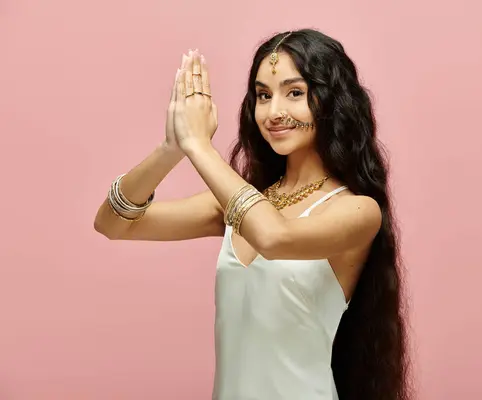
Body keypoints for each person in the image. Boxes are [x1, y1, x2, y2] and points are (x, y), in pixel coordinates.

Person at [94, 29, 410, 400]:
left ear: (331, 102)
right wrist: (172, 148)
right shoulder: (242, 203)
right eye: (263, 95)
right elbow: (113, 224)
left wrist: (200, 147)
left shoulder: (358, 210)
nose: (274, 112)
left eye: (295, 93)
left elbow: (275, 238)